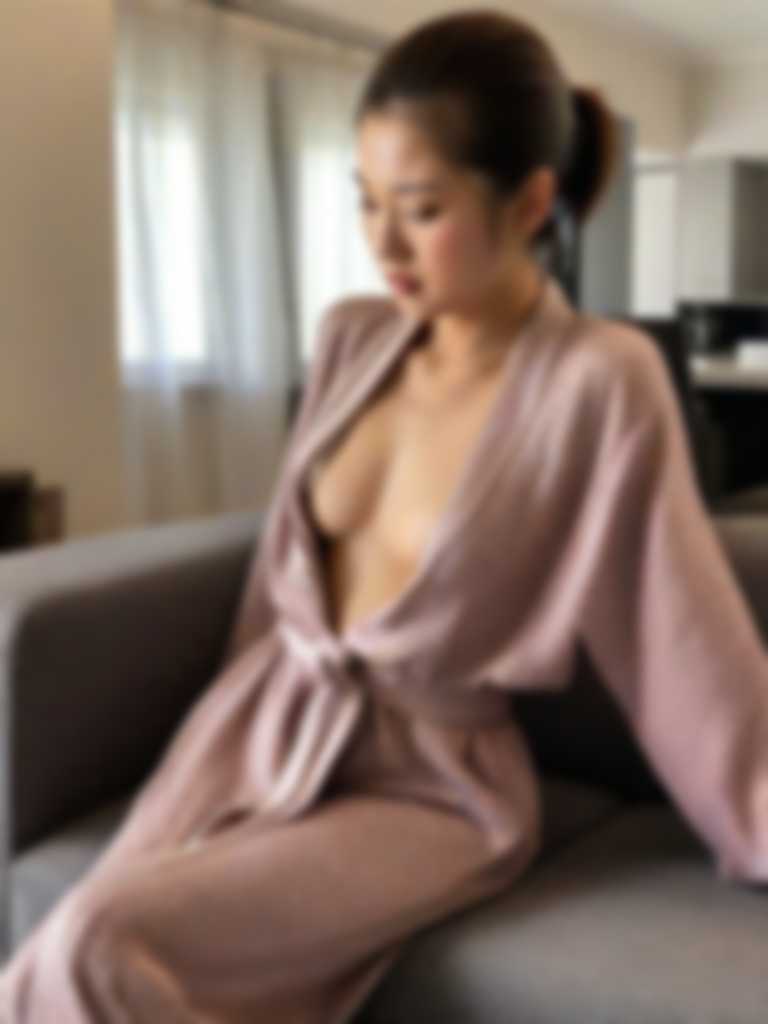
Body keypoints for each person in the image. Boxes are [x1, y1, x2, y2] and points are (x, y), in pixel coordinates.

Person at [3, 8, 768, 1022]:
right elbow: (272, 598)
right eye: (364, 201)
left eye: (420, 208)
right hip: (265, 727)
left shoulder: (597, 378)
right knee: (60, 947)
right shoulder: (350, 340)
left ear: (531, 202)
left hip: (431, 790)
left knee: (102, 944)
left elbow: (677, 634)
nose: (381, 241)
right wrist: (210, 759)